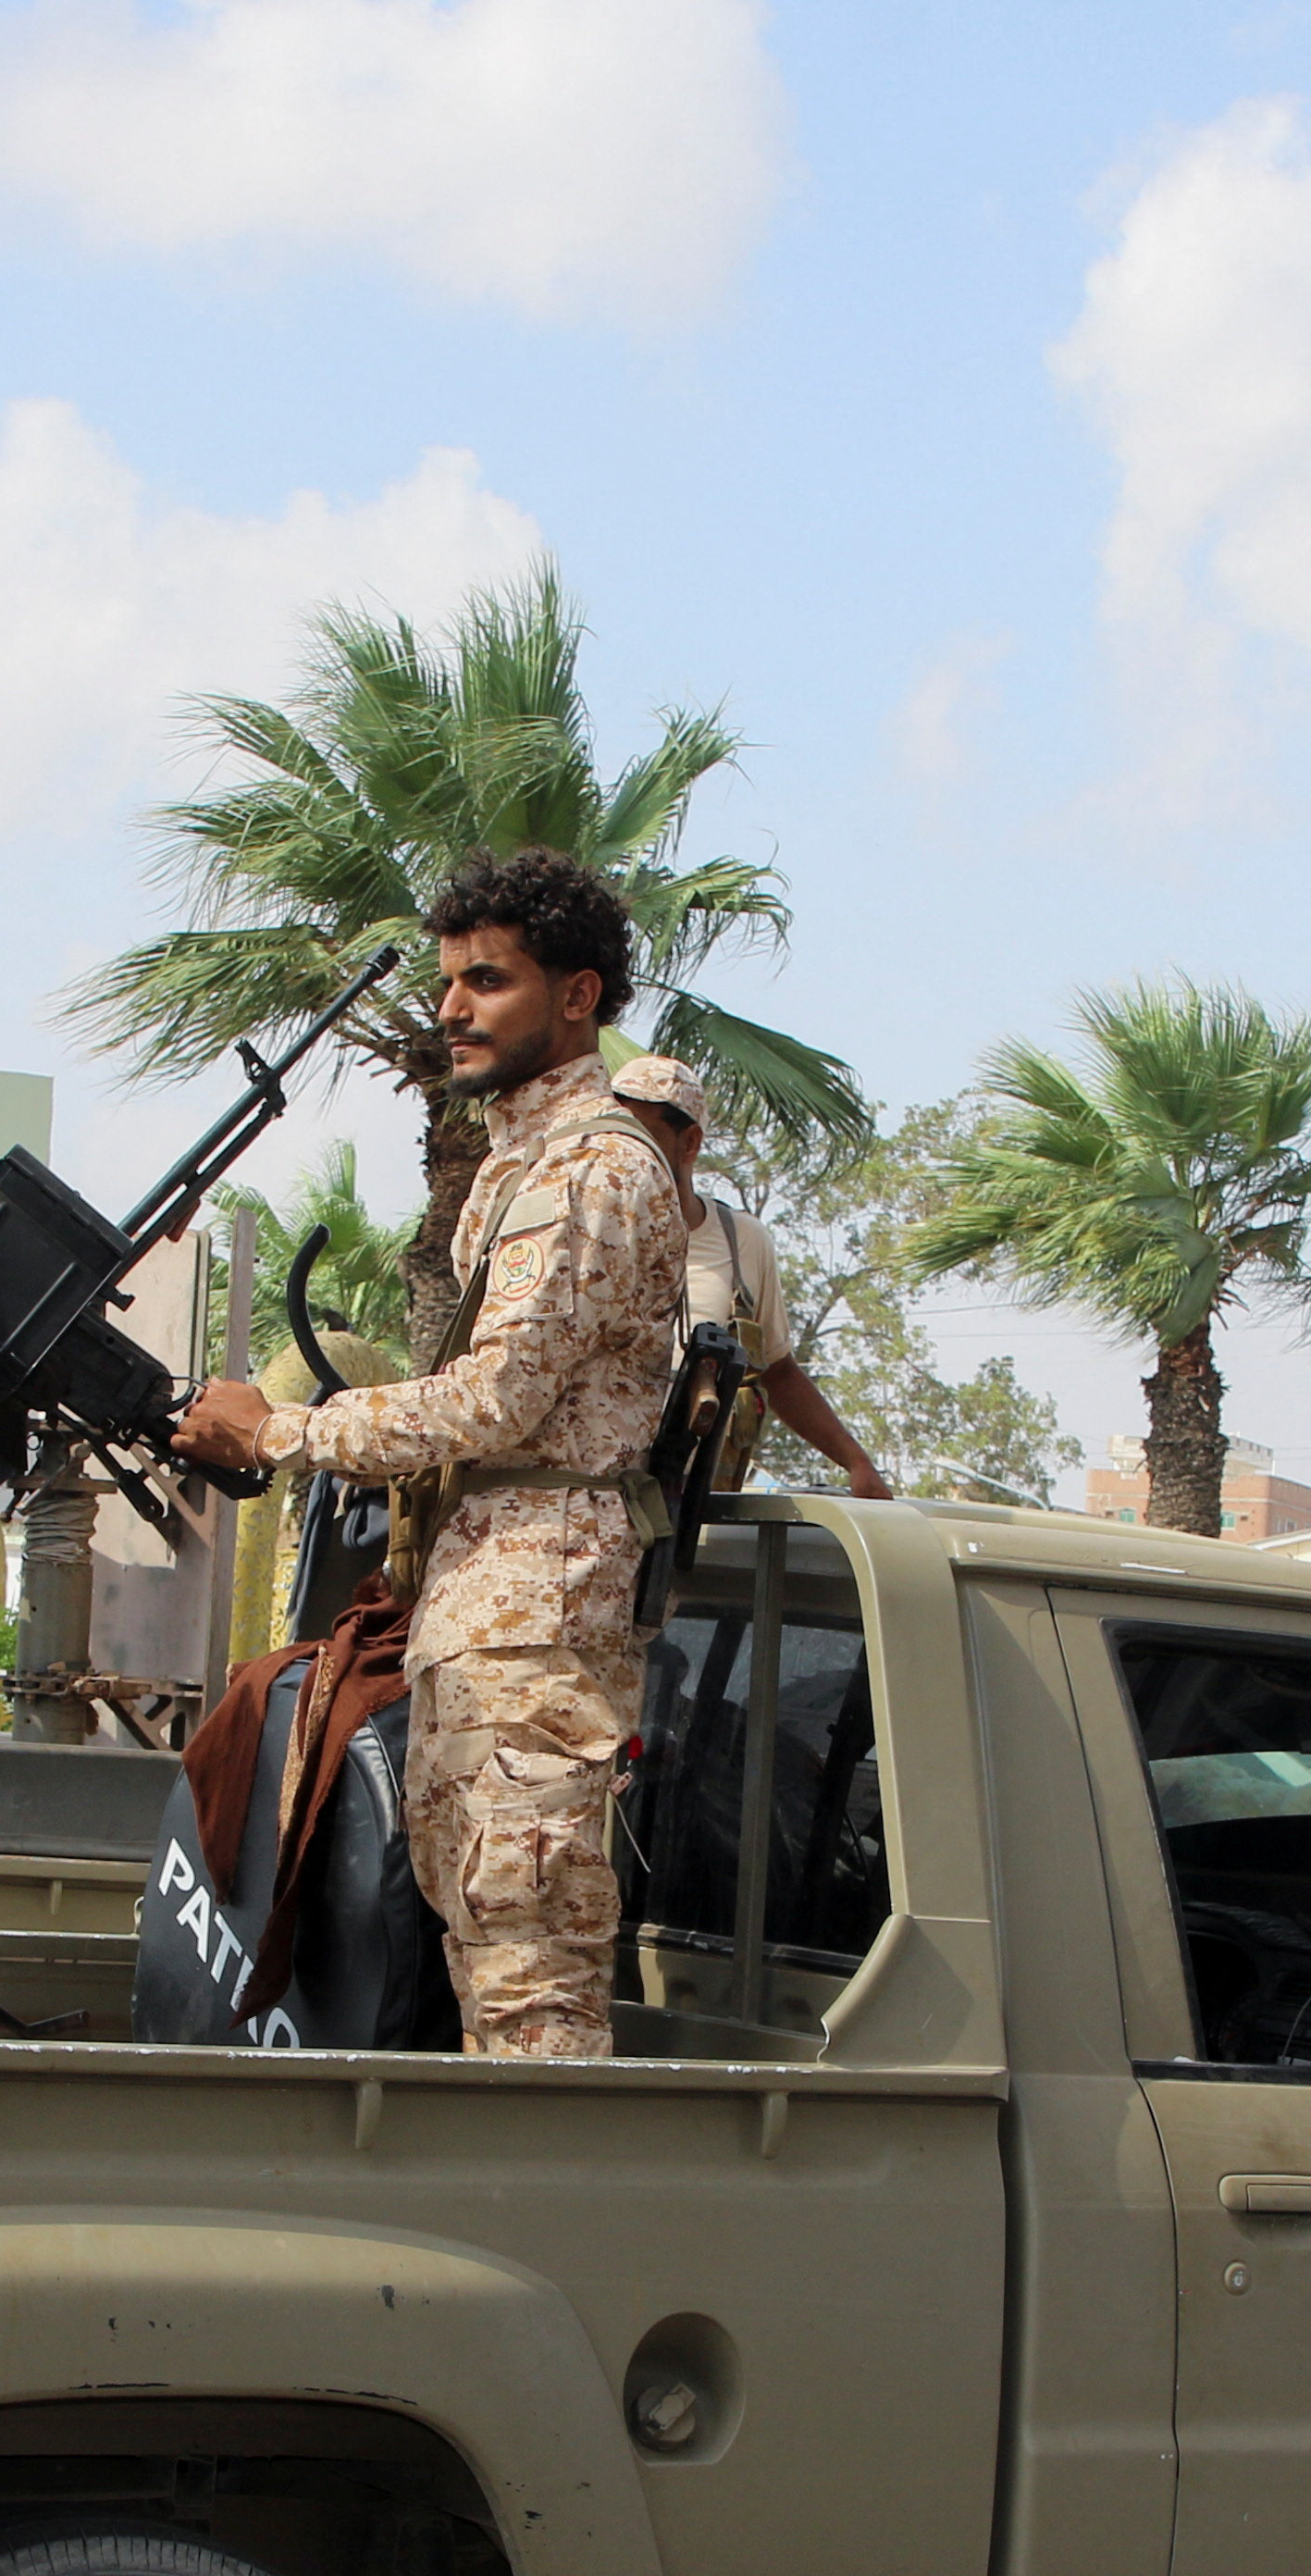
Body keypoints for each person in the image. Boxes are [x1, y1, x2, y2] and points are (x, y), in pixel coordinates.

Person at [167, 848, 687, 2060]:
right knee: (484, 1954)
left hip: (536, 1609)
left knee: (527, 1973)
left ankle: (552, 2235)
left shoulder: (597, 1166)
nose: (450, 1007)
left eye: (487, 982)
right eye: (449, 979)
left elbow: (495, 1402)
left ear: (580, 998)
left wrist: (282, 1431)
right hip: (492, 1593)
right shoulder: (528, 1157)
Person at [605, 1055, 894, 1499]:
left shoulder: (741, 1242)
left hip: (690, 1508)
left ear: (690, 1143)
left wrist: (856, 1464)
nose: (625, 1153)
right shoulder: (589, 1236)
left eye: (642, 1137)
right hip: (602, 1495)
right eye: (615, 1134)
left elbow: (778, 1372)